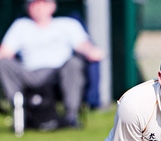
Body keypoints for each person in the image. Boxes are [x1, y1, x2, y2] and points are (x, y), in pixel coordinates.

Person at [0, 0, 103, 128]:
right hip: (29, 74)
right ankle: (20, 110)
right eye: (34, 4)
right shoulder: (21, 26)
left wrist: (91, 51)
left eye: (43, 4)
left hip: (58, 73)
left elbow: (83, 45)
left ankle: (71, 115)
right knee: (3, 64)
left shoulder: (67, 24)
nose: (39, 8)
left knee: (74, 64)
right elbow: (5, 52)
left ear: (52, 6)